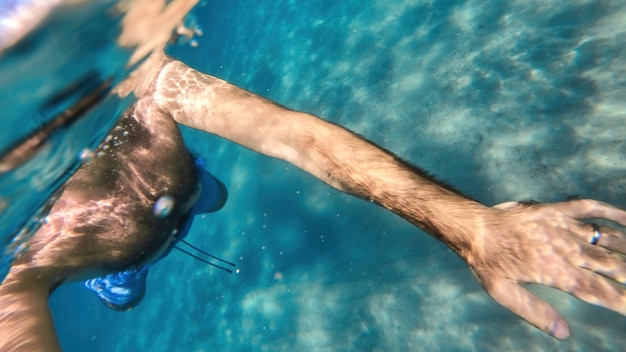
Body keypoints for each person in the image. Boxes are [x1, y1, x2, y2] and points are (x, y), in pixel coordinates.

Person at [1, 1, 625, 351]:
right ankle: (120, 268)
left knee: (207, 196)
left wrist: (472, 228)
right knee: (128, 287)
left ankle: (188, 183)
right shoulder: (18, 248)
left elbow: (293, 136)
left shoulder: (141, 79)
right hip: (112, 260)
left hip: (181, 189)